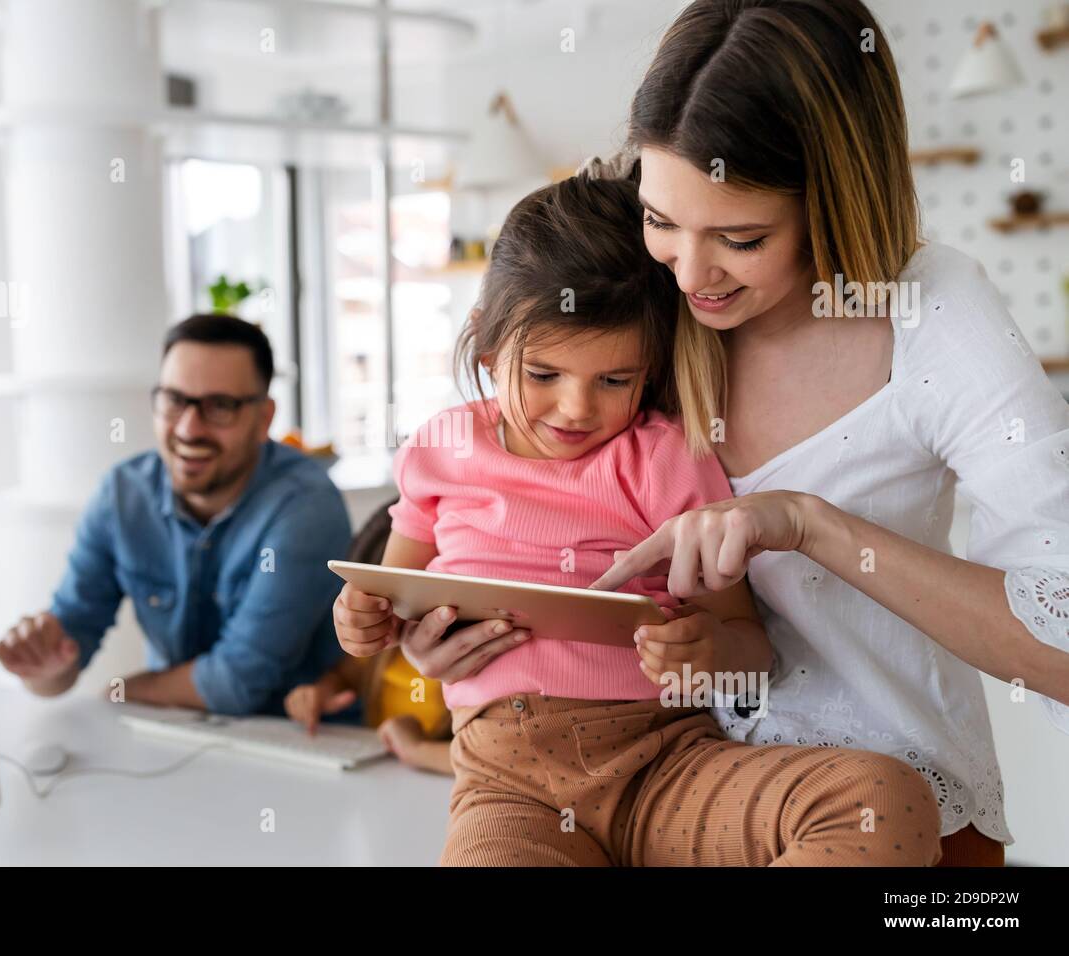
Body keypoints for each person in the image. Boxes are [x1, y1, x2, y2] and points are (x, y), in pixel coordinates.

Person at [571, 0, 1069, 866]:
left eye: (740, 237)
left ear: (834, 196)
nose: (690, 273)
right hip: (664, 798)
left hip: (904, 830)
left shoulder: (929, 312)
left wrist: (810, 525)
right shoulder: (640, 288)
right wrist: (459, 617)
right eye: (661, 220)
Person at [336, 175, 942, 866]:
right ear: (486, 349)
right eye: (542, 375)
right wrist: (360, 622)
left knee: (883, 801)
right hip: (508, 786)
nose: (575, 409)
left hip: (664, 765)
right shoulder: (438, 450)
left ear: (649, 371)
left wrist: (707, 650)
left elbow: (749, 644)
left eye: (614, 381)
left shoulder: (664, 460)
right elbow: (386, 596)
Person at [0, 313, 351, 715]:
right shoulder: (123, 495)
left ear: (264, 418)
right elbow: (67, 647)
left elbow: (236, 683)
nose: (188, 429)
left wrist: (122, 690)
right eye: (174, 400)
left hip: (295, 742)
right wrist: (40, 665)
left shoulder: (306, 506)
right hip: (173, 736)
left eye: (220, 407)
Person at [285, 501, 454, 775]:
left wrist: (418, 750)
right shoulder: (385, 645)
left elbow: (497, 762)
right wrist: (320, 694)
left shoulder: (469, 652)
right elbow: (347, 675)